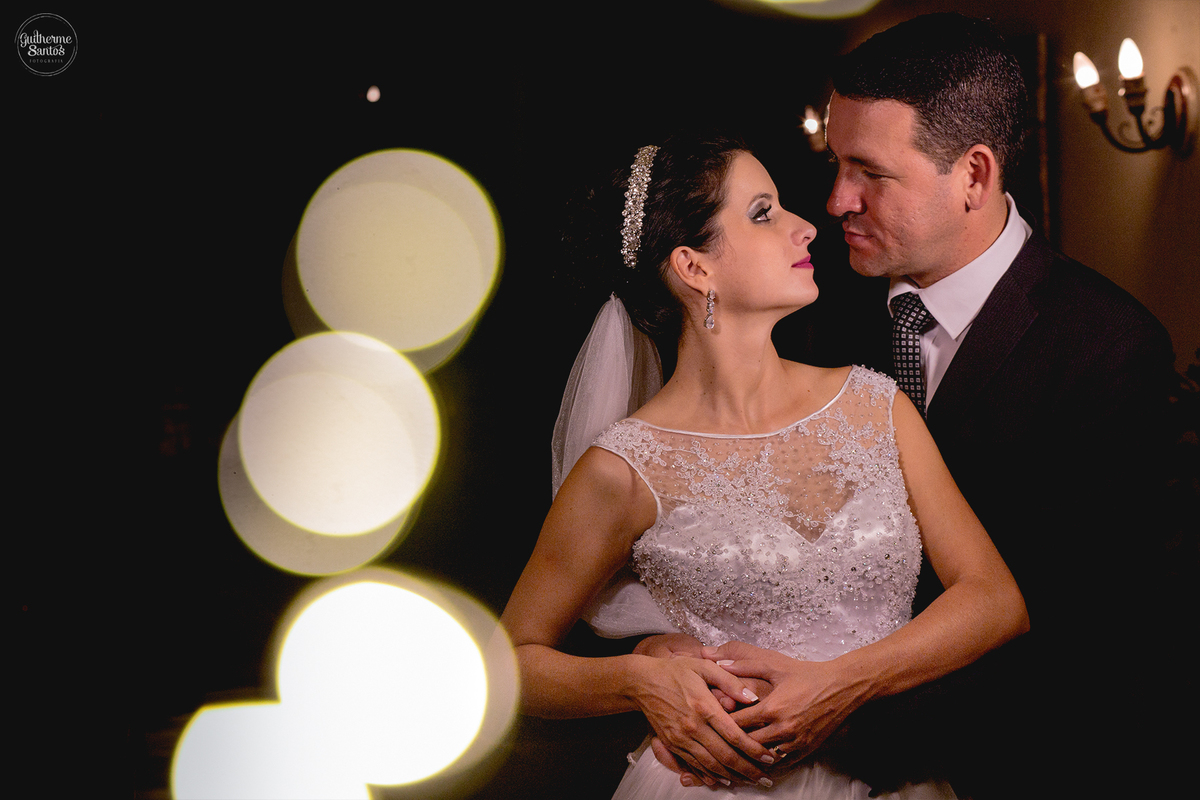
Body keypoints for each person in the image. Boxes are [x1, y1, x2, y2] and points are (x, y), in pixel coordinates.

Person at [500, 131, 1028, 799]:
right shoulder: (625, 468)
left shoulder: (874, 405)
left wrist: (841, 684)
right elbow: (511, 665)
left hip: (890, 776)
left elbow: (995, 600)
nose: (805, 226)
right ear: (695, 268)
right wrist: (638, 680)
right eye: (763, 213)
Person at [813, 13, 1178, 797]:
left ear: (974, 175)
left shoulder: (1108, 346)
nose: (837, 200)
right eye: (836, 164)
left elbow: (1087, 627)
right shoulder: (810, 319)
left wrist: (844, 718)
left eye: (869, 172)